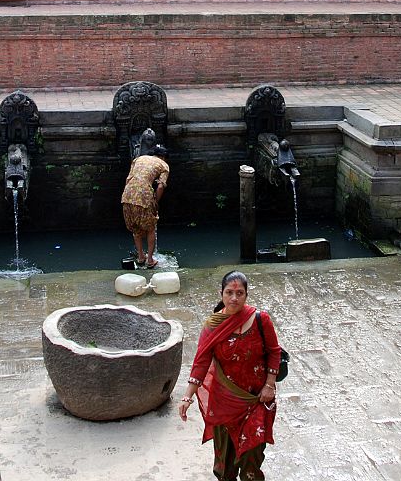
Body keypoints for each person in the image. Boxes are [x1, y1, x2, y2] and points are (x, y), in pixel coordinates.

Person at [178, 270, 281, 481]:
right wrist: (187, 396)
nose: (234, 298)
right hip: (225, 403)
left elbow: (274, 351)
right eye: (229, 292)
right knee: (225, 463)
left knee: (253, 458)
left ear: (246, 295)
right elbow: (201, 362)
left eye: (240, 293)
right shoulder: (213, 326)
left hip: (256, 399)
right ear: (222, 293)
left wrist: (270, 385)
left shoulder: (261, 320)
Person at [120, 143, 169, 268]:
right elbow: (161, 186)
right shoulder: (163, 165)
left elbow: (127, 180)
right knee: (150, 228)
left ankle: (141, 256)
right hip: (144, 196)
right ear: (163, 157)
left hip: (127, 195)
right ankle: (150, 260)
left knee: (136, 228)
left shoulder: (138, 159)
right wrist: (156, 202)